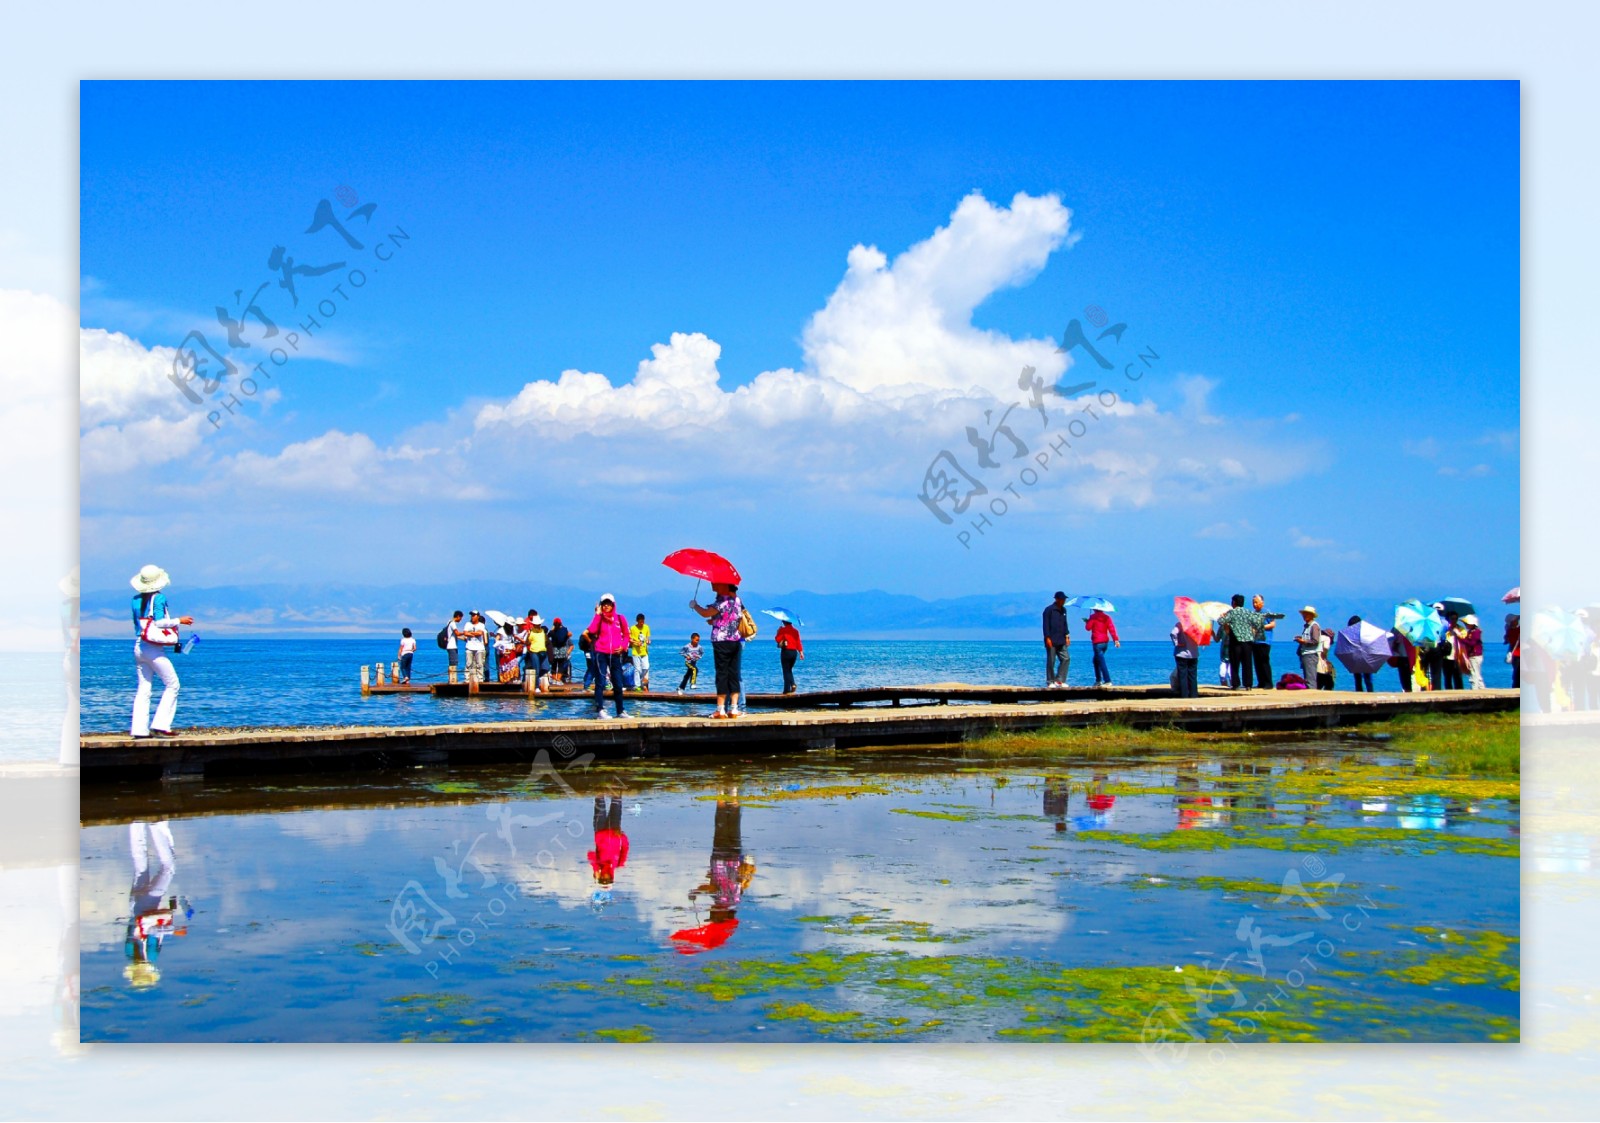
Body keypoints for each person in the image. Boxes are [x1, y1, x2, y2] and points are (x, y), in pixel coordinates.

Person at [129, 565, 192, 738]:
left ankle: (139, 730)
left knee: (144, 688)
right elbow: (159, 622)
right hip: (153, 649)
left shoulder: (135, 600)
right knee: (173, 684)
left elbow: (139, 624)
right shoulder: (159, 598)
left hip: (139, 645)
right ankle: (161, 725)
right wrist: (180, 620)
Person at [693, 582, 748, 718]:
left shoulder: (720, 603)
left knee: (722, 673)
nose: (714, 586)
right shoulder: (737, 601)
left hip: (721, 641)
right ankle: (734, 708)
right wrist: (716, 620)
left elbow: (706, 613)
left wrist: (695, 606)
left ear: (724, 587)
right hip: (735, 640)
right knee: (733, 673)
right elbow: (729, 618)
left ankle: (720, 709)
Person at [584, 594, 631, 719]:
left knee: (618, 682)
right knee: (600, 682)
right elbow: (592, 630)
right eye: (604, 603)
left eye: (608, 603)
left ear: (613, 604)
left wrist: (623, 646)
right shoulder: (599, 618)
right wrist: (597, 614)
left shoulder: (620, 618)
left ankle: (620, 711)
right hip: (601, 653)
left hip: (615, 654)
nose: (606, 606)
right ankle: (600, 710)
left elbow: (626, 635)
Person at [1217, 595, 1264, 689]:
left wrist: (1223, 616)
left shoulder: (1232, 613)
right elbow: (1258, 621)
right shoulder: (1248, 612)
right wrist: (1254, 632)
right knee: (1247, 663)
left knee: (1234, 664)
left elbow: (1220, 621)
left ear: (1234, 602)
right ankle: (1248, 684)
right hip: (1248, 641)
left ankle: (1236, 684)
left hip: (1236, 641)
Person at [587, 795, 630, 887]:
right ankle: (616, 783)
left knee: (599, 800)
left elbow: (590, 854)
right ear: (611, 878)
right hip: (615, 830)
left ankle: (600, 782)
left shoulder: (598, 865)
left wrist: (595, 869)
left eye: (603, 879)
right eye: (607, 879)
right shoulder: (619, 863)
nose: (605, 878)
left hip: (600, 829)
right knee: (616, 803)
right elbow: (625, 848)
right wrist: (621, 835)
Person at [1250, 595, 1283, 690]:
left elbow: (1273, 624)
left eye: (1256, 602)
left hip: (1265, 640)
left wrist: (1261, 627)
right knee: (1257, 662)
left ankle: (1268, 682)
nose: (1254, 604)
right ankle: (1261, 682)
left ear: (1262, 603)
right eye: (1253, 603)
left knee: (1264, 661)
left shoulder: (1266, 612)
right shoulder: (1253, 613)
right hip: (1255, 641)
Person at [1084, 607, 1120, 687]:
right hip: (1105, 643)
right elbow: (1111, 629)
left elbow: (1088, 628)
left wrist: (1087, 622)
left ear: (1094, 609)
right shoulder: (1107, 617)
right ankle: (1098, 680)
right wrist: (1116, 640)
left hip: (1097, 642)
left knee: (1101, 661)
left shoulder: (1093, 617)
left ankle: (1107, 680)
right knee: (1096, 660)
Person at [1042, 591, 1071, 688]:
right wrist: (1047, 638)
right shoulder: (1049, 610)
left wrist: (1067, 636)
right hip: (1051, 639)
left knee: (1066, 658)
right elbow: (1045, 625)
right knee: (1051, 661)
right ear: (1057, 599)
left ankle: (1060, 680)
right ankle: (1050, 681)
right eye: (1062, 599)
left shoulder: (1064, 610)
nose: (1063, 601)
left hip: (1061, 639)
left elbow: (1065, 624)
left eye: (1064, 599)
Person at [1295, 606, 1323, 688]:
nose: (1304, 616)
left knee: (1310, 679)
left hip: (1310, 655)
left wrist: (1303, 641)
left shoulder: (1314, 626)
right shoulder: (1307, 626)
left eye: (1307, 614)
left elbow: (1315, 641)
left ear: (1311, 615)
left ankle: (1312, 694)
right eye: (1304, 614)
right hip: (1306, 654)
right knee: (1307, 678)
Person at [774, 618, 805, 694]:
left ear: (784, 622)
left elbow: (777, 639)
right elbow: (798, 642)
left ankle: (790, 687)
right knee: (789, 670)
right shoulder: (795, 631)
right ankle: (789, 687)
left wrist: (778, 632)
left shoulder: (783, 630)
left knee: (786, 670)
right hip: (794, 653)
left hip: (786, 652)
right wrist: (801, 652)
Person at [1170, 620, 1200, 698]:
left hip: (1181, 653)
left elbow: (1173, 633)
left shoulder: (1180, 624)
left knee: (1182, 676)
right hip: (1193, 654)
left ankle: (1184, 695)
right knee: (1193, 676)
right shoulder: (1198, 626)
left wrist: (1176, 643)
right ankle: (1194, 695)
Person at [522, 611, 549, 692]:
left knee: (546, 667)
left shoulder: (542, 631)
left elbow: (546, 640)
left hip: (543, 651)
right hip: (534, 652)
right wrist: (528, 636)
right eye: (536, 624)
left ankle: (537, 678)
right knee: (536, 669)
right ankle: (536, 686)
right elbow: (527, 642)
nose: (538, 625)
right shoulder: (531, 632)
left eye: (539, 624)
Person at [1346, 616, 1374, 692]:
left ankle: (1360, 692)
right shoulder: (1366, 633)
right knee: (1367, 678)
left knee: (1358, 678)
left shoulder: (1351, 635)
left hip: (1356, 657)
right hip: (1366, 657)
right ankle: (1370, 692)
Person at [460, 611, 488, 683]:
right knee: (468, 664)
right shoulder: (467, 624)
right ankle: (467, 679)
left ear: (478, 616)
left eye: (474, 615)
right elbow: (465, 633)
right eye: (472, 615)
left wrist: (470, 633)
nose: (472, 617)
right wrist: (472, 634)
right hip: (469, 647)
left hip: (479, 647)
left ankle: (480, 679)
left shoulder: (481, 625)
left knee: (480, 664)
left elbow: (480, 633)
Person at [1459, 614, 1486, 690]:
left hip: (1475, 655)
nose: (1466, 625)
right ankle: (1481, 688)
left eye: (1467, 624)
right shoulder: (1471, 632)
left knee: (1474, 673)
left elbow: (1471, 643)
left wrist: (1461, 638)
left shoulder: (1476, 632)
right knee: (1477, 673)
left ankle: (1474, 688)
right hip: (1473, 655)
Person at [629, 613, 652, 692]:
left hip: (644, 652)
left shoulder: (646, 627)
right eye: (640, 621)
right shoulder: (633, 628)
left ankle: (640, 681)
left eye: (643, 621)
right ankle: (637, 685)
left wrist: (648, 641)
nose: (642, 623)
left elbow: (647, 638)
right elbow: (630, 639)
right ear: (637, 621)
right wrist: (636, 643)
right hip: (636, 652)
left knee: (646, 667)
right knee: (637, 669)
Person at [1390, 628, 1416, 692]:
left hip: (1401, 655)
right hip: (1409, 656)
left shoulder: (1397, 628)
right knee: (1408, 678)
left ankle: (1407, 692)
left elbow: (1392, 640)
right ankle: (1409, 692)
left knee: (1404, 678)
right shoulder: (1412, 628)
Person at [548, 616, 572, 684]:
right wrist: (567, 636)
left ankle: (554, 679)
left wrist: (552, 629)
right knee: (561, 665)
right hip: (562, 649)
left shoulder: (552, 631)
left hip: (554, 649)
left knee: (554, 664)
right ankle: (558, 679)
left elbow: (548, 636)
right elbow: (568, 635)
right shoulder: (564, 630)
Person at [444, 610, 464, 680]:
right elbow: (457, 633)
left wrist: (463, 639)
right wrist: (465, 632)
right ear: (458, 616)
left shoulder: (449, 622)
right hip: (452, 646)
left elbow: (454, 636)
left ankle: (452, 678)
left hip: (450, 646)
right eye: (461, 618)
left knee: (452, 662)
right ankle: (452, 679)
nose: (460, 620)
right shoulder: (453, 623)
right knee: (453, 662)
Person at [1505, 614, 1521, 689]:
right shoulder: (1514, 631)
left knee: (1517, 671)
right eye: (1516, 620)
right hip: (1518, 654)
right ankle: (1517, 686)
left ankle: (1516, 685)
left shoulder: (1509, 631)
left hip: (1517, 653)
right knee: (1518, 671)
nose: (1518, 621)